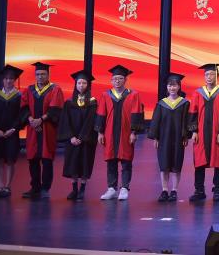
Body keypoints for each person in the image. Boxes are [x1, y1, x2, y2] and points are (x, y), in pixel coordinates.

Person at [96, 64, 144, 201]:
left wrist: (134, 132)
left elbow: (136, 113)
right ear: (111, 80)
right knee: (111, 160)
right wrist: (100, 132)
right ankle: (111, 189)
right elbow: (101, 114)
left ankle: (124, 188)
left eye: (120, 78)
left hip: (126, 133)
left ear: (125, 80)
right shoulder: (106, 95)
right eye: (115, 79)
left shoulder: (133, 95)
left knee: (126, 160)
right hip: (109, 133)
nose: (117, 81)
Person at [189, 63, 219, 202]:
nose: (209, 77)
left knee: (218, 160)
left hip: (216, 132)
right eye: (207, 75)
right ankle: (199, 190)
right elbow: (193, 112)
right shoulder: (198, 92)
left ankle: (217, 190)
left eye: (212, 74)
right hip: (201, 132)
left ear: (217, 76)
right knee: (199, 160)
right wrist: (194, 131)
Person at [21, 61, 64, 199]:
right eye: (38, 74)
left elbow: (55, 109)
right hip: (32, 129)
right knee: (32, 159)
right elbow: (23, 107)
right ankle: (34, 187)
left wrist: (41, 119)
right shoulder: (29, 90)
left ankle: (45, 188)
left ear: (48, 75)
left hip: (47, 129)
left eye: (43, 74)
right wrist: (30, 119)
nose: (40, 77)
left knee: (47, 159)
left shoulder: (55, 89)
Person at [148, 72, 190, 202]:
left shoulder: (184, 103)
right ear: (167, 87)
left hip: (178, 138)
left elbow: (186, 121)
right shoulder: (161, 104)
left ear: (179, 87)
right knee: (164, 165)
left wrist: (185, 137)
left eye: (175, 85)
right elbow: (156, 121)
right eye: (170, 85)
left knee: (177, 164)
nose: (172, 88)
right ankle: (164, 190)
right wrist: (156, 138)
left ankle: (174, 190)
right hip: (164, 138)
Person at [57, 70, 98, 201]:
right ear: (75, 84)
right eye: (79, 83)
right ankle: (74, 189)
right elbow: (65, 121)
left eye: (84, 83)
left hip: (86, 140)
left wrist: (82, 137)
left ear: (88, 85)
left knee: (85, 163)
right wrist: (71, 137)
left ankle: (82, 189)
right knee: (73, 163)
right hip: (72, 140)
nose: (81, 85)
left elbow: (91, 121)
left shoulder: (92, 102)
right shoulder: (69, 103)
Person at [0, 64, 23, 198]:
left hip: (12, 133)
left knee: (10, 159)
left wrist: (13, 129)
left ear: (15, 80)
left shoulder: (19, 96)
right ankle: (0, 185)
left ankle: (7, 186)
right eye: (6, 78)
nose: (8, 81)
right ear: (3, 80)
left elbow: (21, 116)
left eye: (11, 79)